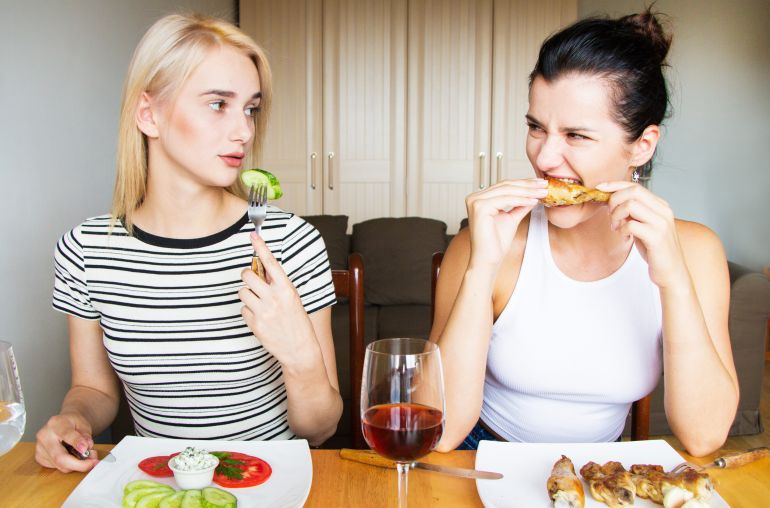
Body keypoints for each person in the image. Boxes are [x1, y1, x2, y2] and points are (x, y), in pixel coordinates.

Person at [35, 13, 343, 473]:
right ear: (149, 115)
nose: (244, 130)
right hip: (161, 486)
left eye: (250, 108)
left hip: (270, 481)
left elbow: (319, 429)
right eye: (218, 103)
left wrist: (299, 353)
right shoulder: (86, 249)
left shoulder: (291, 241)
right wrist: (74, 418)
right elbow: (95, 389)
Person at [430, 10, 738, 457]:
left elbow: (704, 435)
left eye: (576, 135)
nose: (545, 157)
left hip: (603, 470)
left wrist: (674, 281)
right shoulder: (488, 245)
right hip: (479, 456)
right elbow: (438, 432)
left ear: (642, 145)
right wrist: (481, 267)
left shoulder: (695, 252)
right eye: (536, 127)